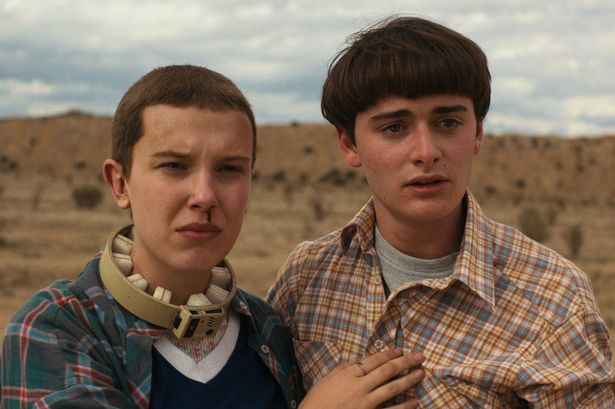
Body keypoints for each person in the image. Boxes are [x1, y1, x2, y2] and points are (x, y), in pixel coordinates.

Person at [1, 64, 424, 409]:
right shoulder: (58, 329)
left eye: (229, 169)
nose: (204, 196)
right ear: (120, 183)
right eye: (174, 166)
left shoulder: (267, 330)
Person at [267, 16, 615, 407]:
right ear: (349, 144)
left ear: (478, 132)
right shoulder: (307, 278)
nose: (426, 152)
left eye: (448, 122)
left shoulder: (554, 300)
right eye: (395, 128)